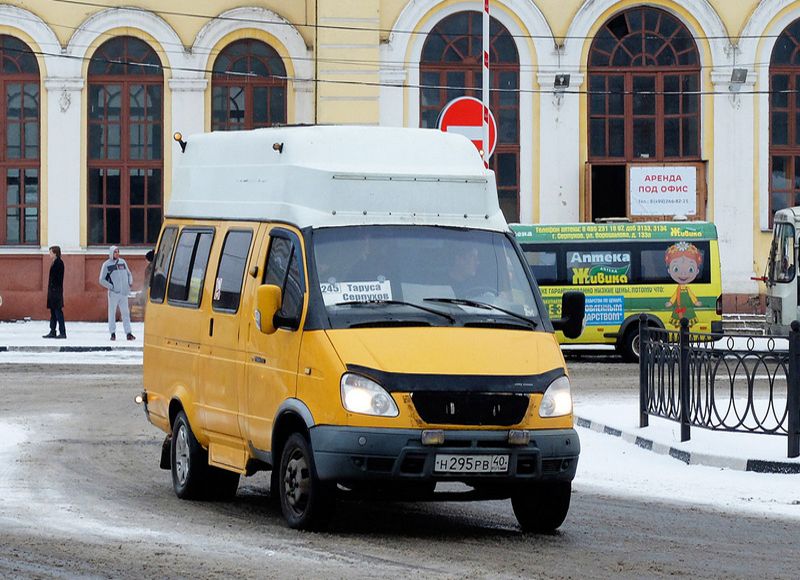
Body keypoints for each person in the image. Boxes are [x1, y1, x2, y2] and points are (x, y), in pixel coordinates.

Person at [99, 245, 135, 341]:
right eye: (115, 252)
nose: (117, 254)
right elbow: (101, 280)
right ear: (111, 253)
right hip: (113, 293)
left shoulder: (123, 262)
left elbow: (129, 273)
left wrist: (130, 283)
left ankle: (128, 333)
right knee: (112, 313)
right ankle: (113, 333)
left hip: (124, 293)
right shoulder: (106, 265)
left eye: (118, 252)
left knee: (125, 313)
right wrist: (112, 287)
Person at [43, 245, 66, 339]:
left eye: (51, 252)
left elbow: (57, 279)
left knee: (58, 312)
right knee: (53, 312)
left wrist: (54, 289)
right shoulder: (54, 262)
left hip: (56, 291)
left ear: (55, 253)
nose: (49, 254)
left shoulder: (59, 263)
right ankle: (52, 331)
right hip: (53, 291)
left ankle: (62, 332)